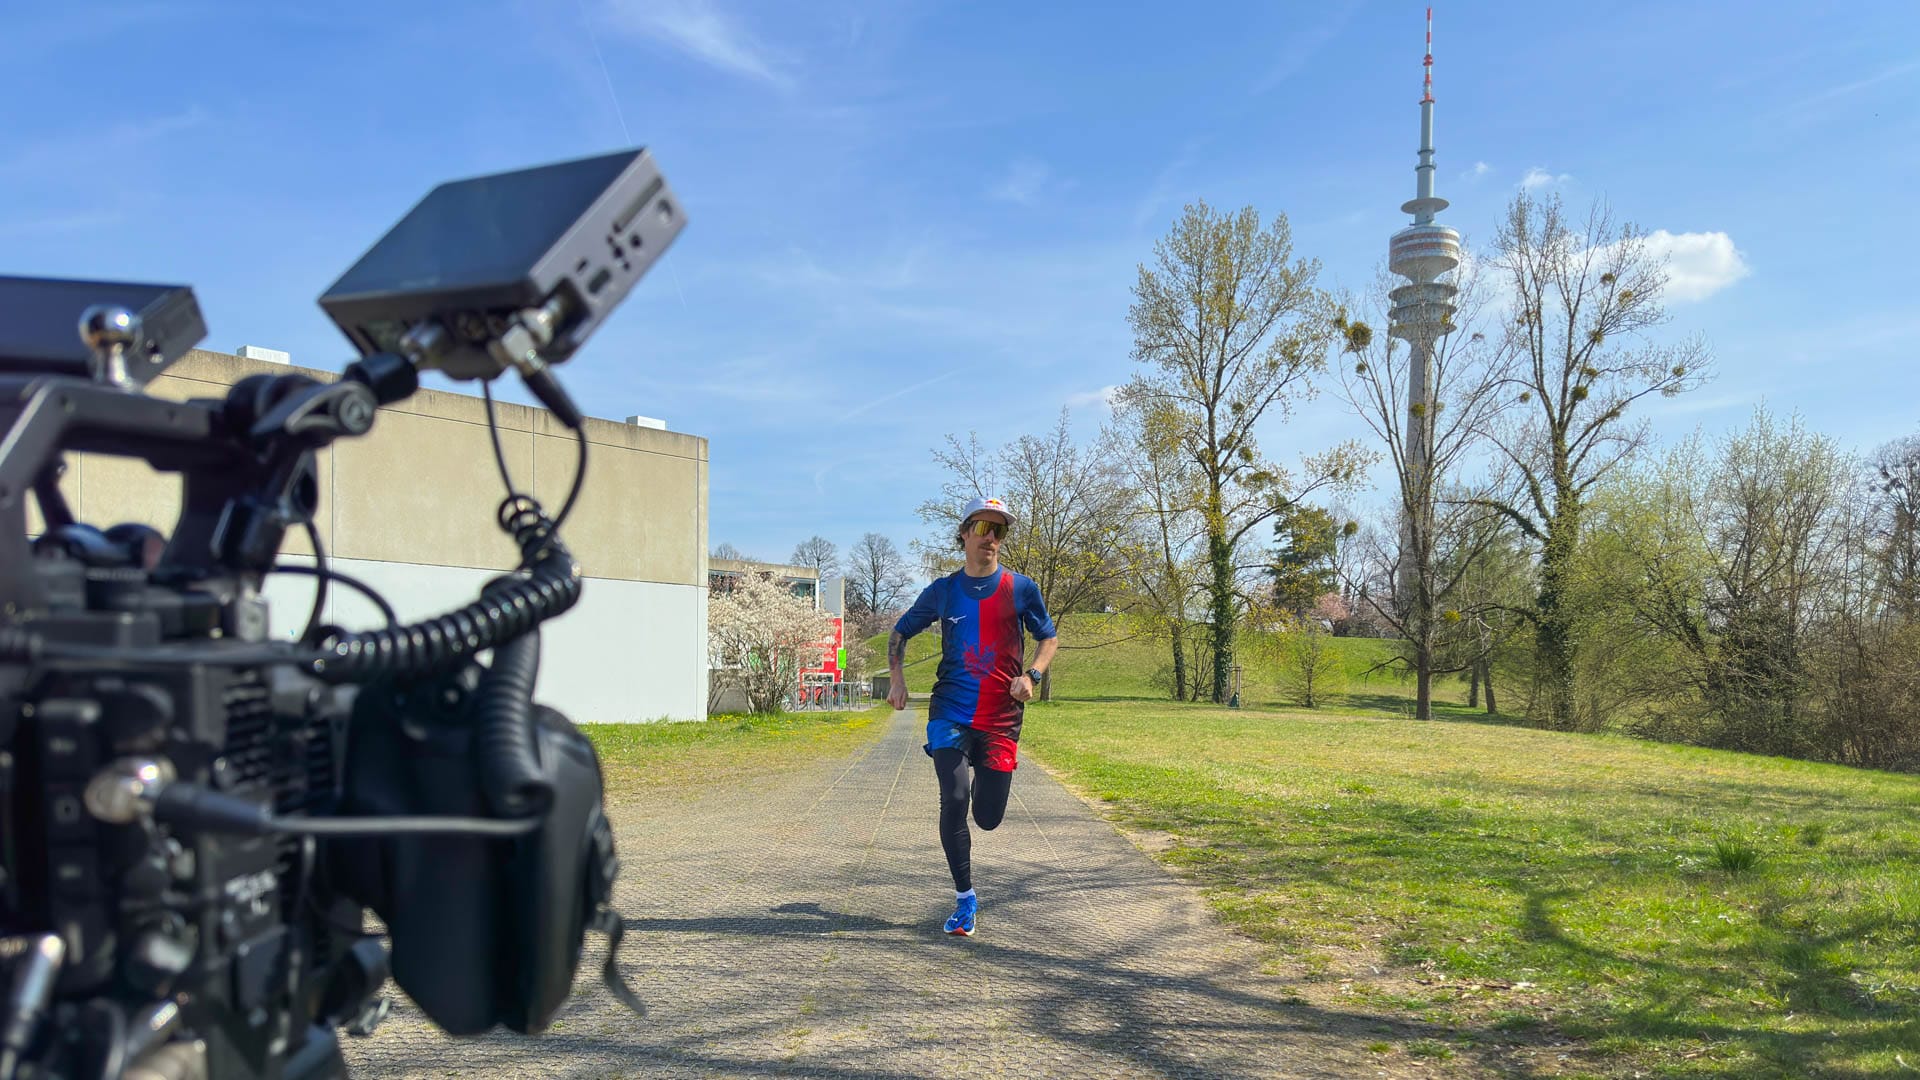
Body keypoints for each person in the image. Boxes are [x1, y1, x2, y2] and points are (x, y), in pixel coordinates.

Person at [887, 496, 1058, 936]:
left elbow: (1048, 638)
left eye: (999, 530)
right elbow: (900, 632)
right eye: (982, 527)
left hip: (1001, 717)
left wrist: (1033, 675)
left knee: (987, 818)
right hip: (950, 710)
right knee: (954, 798)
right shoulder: (943, 591)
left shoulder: (1021, 588)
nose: (991, 538)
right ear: (963, 534)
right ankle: (965, 899)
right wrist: (897, 680)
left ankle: (985, 771)